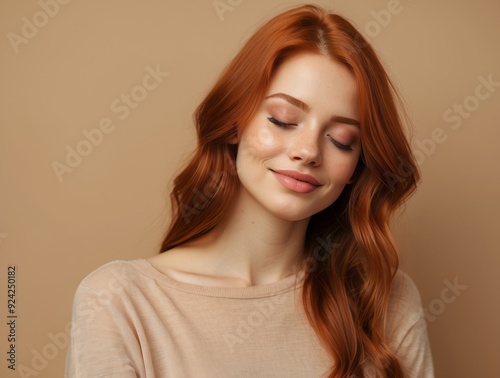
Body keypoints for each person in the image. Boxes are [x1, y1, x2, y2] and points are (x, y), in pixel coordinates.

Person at [65, 4, 434, 377]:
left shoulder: (387, 303)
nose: (307, 151)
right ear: (234, 123)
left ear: (358, 166)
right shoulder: (118, 301)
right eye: (283, 120)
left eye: (341, 140)